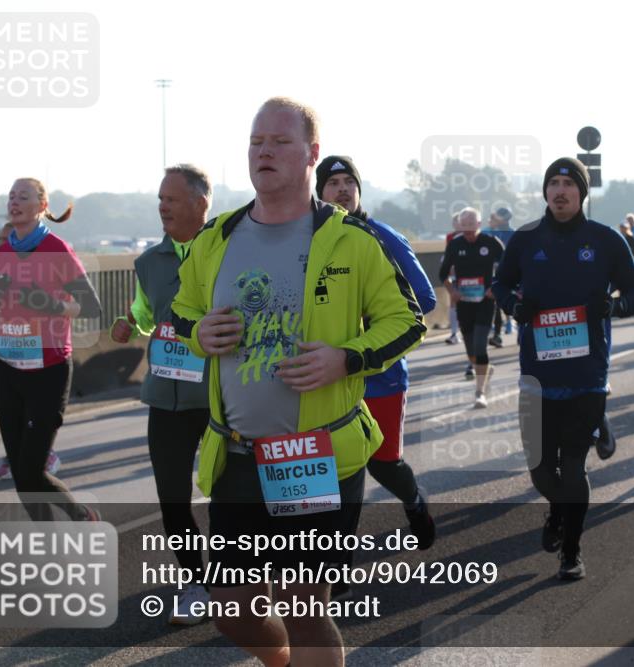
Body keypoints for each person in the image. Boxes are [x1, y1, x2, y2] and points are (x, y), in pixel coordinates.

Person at [170, 97, 425, 666]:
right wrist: (199, 331)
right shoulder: (217, 238)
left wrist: (347, 358)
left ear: (311, 153)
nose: (264, 151)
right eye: (256, 141)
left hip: (310, 457)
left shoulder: (353, 241)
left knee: (304, 604)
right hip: (236, 453)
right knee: (230, 606)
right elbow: (182, 310)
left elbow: (407, 320)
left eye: (280, 141)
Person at [492, 157, 634, 580]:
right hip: (537, 374)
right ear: (545, 192)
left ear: (582, 192)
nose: (560, 190)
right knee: (542, 471)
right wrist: (515, 307)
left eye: (568, 184)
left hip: (587, 375)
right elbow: (500, 284)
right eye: (553, 183)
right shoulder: (525, 239)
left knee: (574, 468)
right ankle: (558, 511)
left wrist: (613, 306)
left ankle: (572, 552)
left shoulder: (605, 239)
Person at [316, 154, 437, 562]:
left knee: (382, 465)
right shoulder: (304, 242)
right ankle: (338, 565)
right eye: (333, 183)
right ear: (318, 192)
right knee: (331, 470)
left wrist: (371, 327)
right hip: (325, 377)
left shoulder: (382, 237)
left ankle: (414, 500)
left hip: (379, 376)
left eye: (350, 182)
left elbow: (423, 300)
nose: (343, 189)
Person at [109, 164, 213, 624]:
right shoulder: (149, 261)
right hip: (165, 397)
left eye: (171, 199)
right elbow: (146, 311)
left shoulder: (228, 253)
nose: (162, 207)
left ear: (200, 203)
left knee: (234, 497)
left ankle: (248, 579)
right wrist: (131, 322)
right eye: (160, 199)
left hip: (218, 398)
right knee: (173, 498)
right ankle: (196, 583)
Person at [0, 178, 102, 521]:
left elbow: (91, 307)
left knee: (32, 471)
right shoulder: (3, 252)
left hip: (48, 370)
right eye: (10, 196)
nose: (14, 201)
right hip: (6, 367)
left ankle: (80, 514)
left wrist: (50, 304)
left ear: (42, 205)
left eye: (23, 196)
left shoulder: (57, 250)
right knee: (22, 477)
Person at [438, 207, 505, 408]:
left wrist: (495, 287)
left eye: (471, 228)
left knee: (480, 344)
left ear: (479, 224)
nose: (467, 232)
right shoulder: (455, 245)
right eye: (463, 228)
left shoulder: (491, 243)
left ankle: (479, 392)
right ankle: (483, 368)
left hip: (485, 301)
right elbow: (443, 274)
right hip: (464, 303)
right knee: (470, 350)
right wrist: (452, 291)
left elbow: (509, 267)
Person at [486, 207, 516, 347]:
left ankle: (513, 324)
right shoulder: (491, 232)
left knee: (511, 298)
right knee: (496, 301)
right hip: (494, 272)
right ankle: (498, 334)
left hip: (511, 271)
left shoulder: (513, 234)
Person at [444, 213, 463, 346]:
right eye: (454, 222)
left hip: (469, 274)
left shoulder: (471, 235)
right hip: (455, 273)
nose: (456, 224)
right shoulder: (450, 237)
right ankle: (454, 333)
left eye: (458, 221)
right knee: (453, 300)